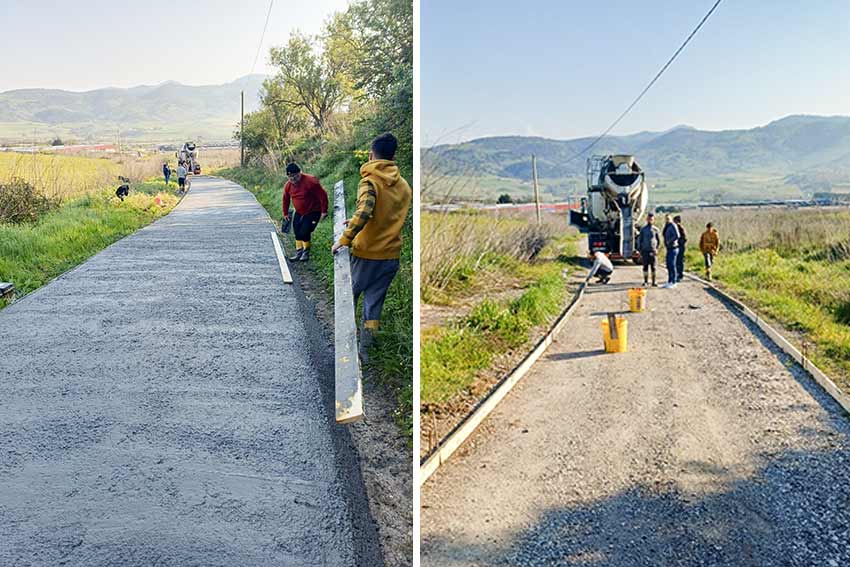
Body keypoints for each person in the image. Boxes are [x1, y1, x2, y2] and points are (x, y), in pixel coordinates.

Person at [332, 132, 412, 361]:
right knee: (374, 303)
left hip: (367, 254)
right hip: (391, 255)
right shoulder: (404, 185)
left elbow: (365, 211)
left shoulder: (369, 181)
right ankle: (366, 350)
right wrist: (358, 221)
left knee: (349, 297)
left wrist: (343, 239)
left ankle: (344, 351)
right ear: (393, 155)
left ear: (371, 154)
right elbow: (385, 215)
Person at [282, 163, 328, 262]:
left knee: (305, 231)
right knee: (297, 231)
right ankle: (299, 253)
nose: (293, 178)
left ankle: (306, 252)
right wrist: (285, 213)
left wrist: (324, 211)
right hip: (299, 211)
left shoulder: (311, 181)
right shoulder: (288, 186)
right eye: (290, 176)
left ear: (300, 173)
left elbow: (322, 196)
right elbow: (286, 199)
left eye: (295, 175)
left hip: (313, 210)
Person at [637, 212, 661, 287]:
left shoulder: (656, 229)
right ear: (646, 219)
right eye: (649, 219)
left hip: (653, 251)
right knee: (645, 266)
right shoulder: (643, 229)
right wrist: (639, 250)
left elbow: (659, 240)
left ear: (653, 220)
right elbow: (640, 240)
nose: (650, 220)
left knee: (653, 267)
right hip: (645, 251)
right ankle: (645, 281)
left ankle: (654, 281)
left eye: (651, 219)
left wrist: (657, 249)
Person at [662, 214, 680, 288]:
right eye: (666, 218)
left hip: (673, 248)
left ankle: (674, 281)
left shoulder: (673, 225)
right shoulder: (667, 226)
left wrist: (669, 241)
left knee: (672, 265)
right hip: (669, 248)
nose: (667, 219)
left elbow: (677, 235)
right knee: (668, 265)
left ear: (671, 219)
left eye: (668, 218)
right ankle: (669, 281)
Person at [674, 214, 687, 283]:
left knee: (679, 261)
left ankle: (680, 275)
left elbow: (684, 238)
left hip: (680, 247)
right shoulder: (677, 228)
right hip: (679, 246)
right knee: (677, 261)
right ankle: (678, 274)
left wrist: (679, 243)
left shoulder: (680, 228)